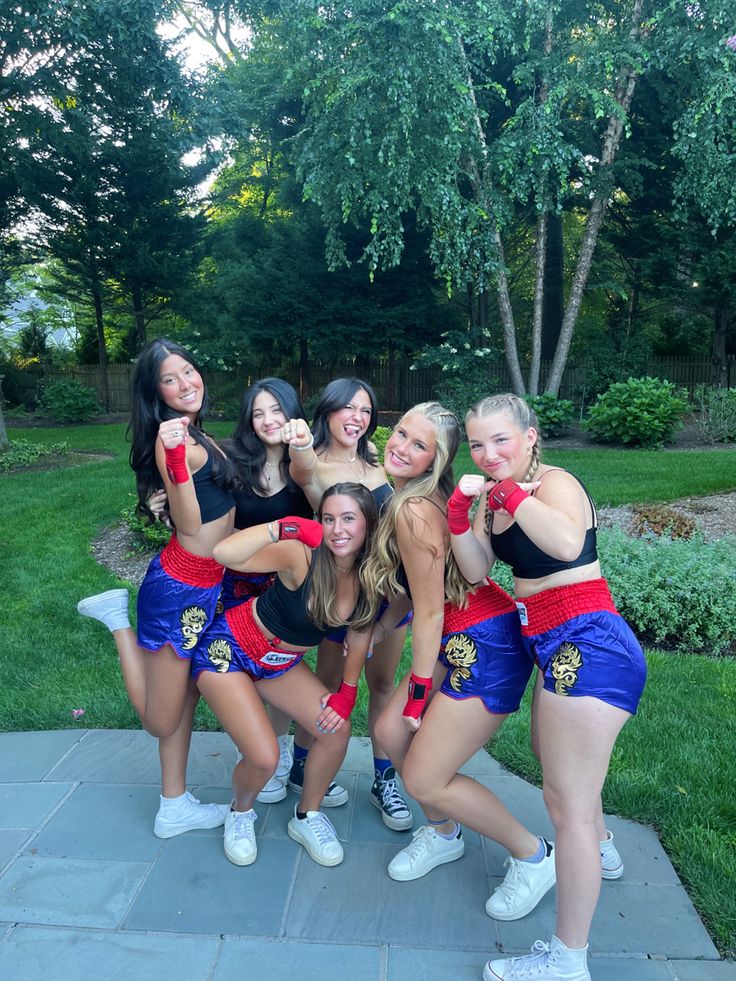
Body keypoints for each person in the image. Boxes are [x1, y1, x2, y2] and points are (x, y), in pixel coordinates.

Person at [448, 394, 647, 981]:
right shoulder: (492, 498)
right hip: (553, 644)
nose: (488, 455)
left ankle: (567, 959)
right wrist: (463, 515)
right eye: (478, 445)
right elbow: (477, 569)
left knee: (568, 811)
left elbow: (564, 545)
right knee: (550, 760)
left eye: (501, 441)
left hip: (588, 639)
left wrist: (506, 493)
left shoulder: (556, 484)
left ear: (531, 436)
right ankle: (602, 846)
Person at [359, 401, 555, 922]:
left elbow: (427, 612)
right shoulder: (413, 496)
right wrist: (380, 626)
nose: (401, 446)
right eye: (400, 433)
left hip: (485, 643)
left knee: (423, 774)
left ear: (436, 460)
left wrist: (418, 693)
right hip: (457, 632)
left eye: (419, 445)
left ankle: (534, 856)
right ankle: (444, 832)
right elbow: (422, 587)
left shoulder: (411, 508)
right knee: (389, 734)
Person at [77, 338, 236, 838]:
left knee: (185, 698)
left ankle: (174, 805)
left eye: (189, 371)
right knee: (161, 720)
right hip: (182, 590)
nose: (187, 383)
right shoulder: (175, 443)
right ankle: (117, 621)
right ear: (156, 391)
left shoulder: (195, 434)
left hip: (208, 584)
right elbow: (190, 524)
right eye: (171, 379)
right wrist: (170, 460)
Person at [194, 483, 378, 867]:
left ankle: (307, 815)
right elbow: (225, 554)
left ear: (368, 525)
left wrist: (347, 691)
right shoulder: (302, 555)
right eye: (328, 519)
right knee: (263, 758)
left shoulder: (370, 576)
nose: (337, 529)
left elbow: (359, 634)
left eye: (349, 519)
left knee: (336, 727)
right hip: (229, 652)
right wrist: (285, 527)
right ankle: (240, 813)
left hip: (280, 664)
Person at [283, 378, 413, 830]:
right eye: (346, 408)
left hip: (391, 594)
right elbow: (300, 471)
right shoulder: (314, 465)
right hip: (342, 598)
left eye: (365, 409)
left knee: (382, 685)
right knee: (328, 684)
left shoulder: (377, 462)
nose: (356, 417)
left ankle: (384, 779)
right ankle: (301, 764)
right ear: (327, 412)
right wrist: (299, 443)